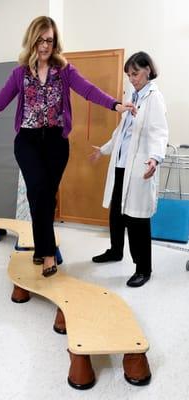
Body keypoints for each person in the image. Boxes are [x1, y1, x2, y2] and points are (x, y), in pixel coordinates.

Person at [0, 16, 134, 278]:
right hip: (28, 142)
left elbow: (89, 90)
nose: (45, 45)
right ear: (32, 40)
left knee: (44, 198)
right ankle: (47, 255)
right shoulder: (19, 74)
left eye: (50, 40)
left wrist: (115, 105)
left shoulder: (65, 71)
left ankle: (39, 248)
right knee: (38, 190)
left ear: (55, 43)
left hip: (57, 142)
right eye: (40, 39)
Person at [90, 51, 168, 287]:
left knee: (137, 220)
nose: (132, 78)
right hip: (122, 166)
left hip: (139, 168)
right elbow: (121, 133)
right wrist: (103, 150)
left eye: (135, 73)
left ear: (147, 70)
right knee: (116, 213)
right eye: (128, 75)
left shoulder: (154, 98)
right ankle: (115, 251)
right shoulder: (131, 96)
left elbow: (159, 132)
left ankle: (143, 269)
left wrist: (155, 158)